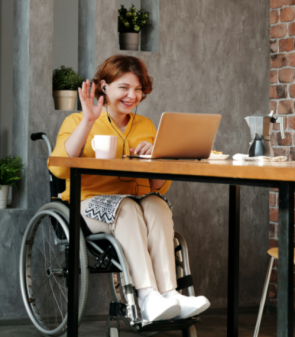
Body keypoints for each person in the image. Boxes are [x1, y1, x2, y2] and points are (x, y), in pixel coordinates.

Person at [48, 55, 210, 322]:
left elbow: (158, 187)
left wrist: (156, 158)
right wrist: (88, 121)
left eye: (138, 89)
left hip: (135, 204)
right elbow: (60, 169)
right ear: (105, 86)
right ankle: (147, 296)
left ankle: (169, 294)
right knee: (128, 207)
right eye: (124, 87)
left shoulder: (146, 126)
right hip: (88, 205)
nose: (132, 95)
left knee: (157, 204)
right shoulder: (77, 121)